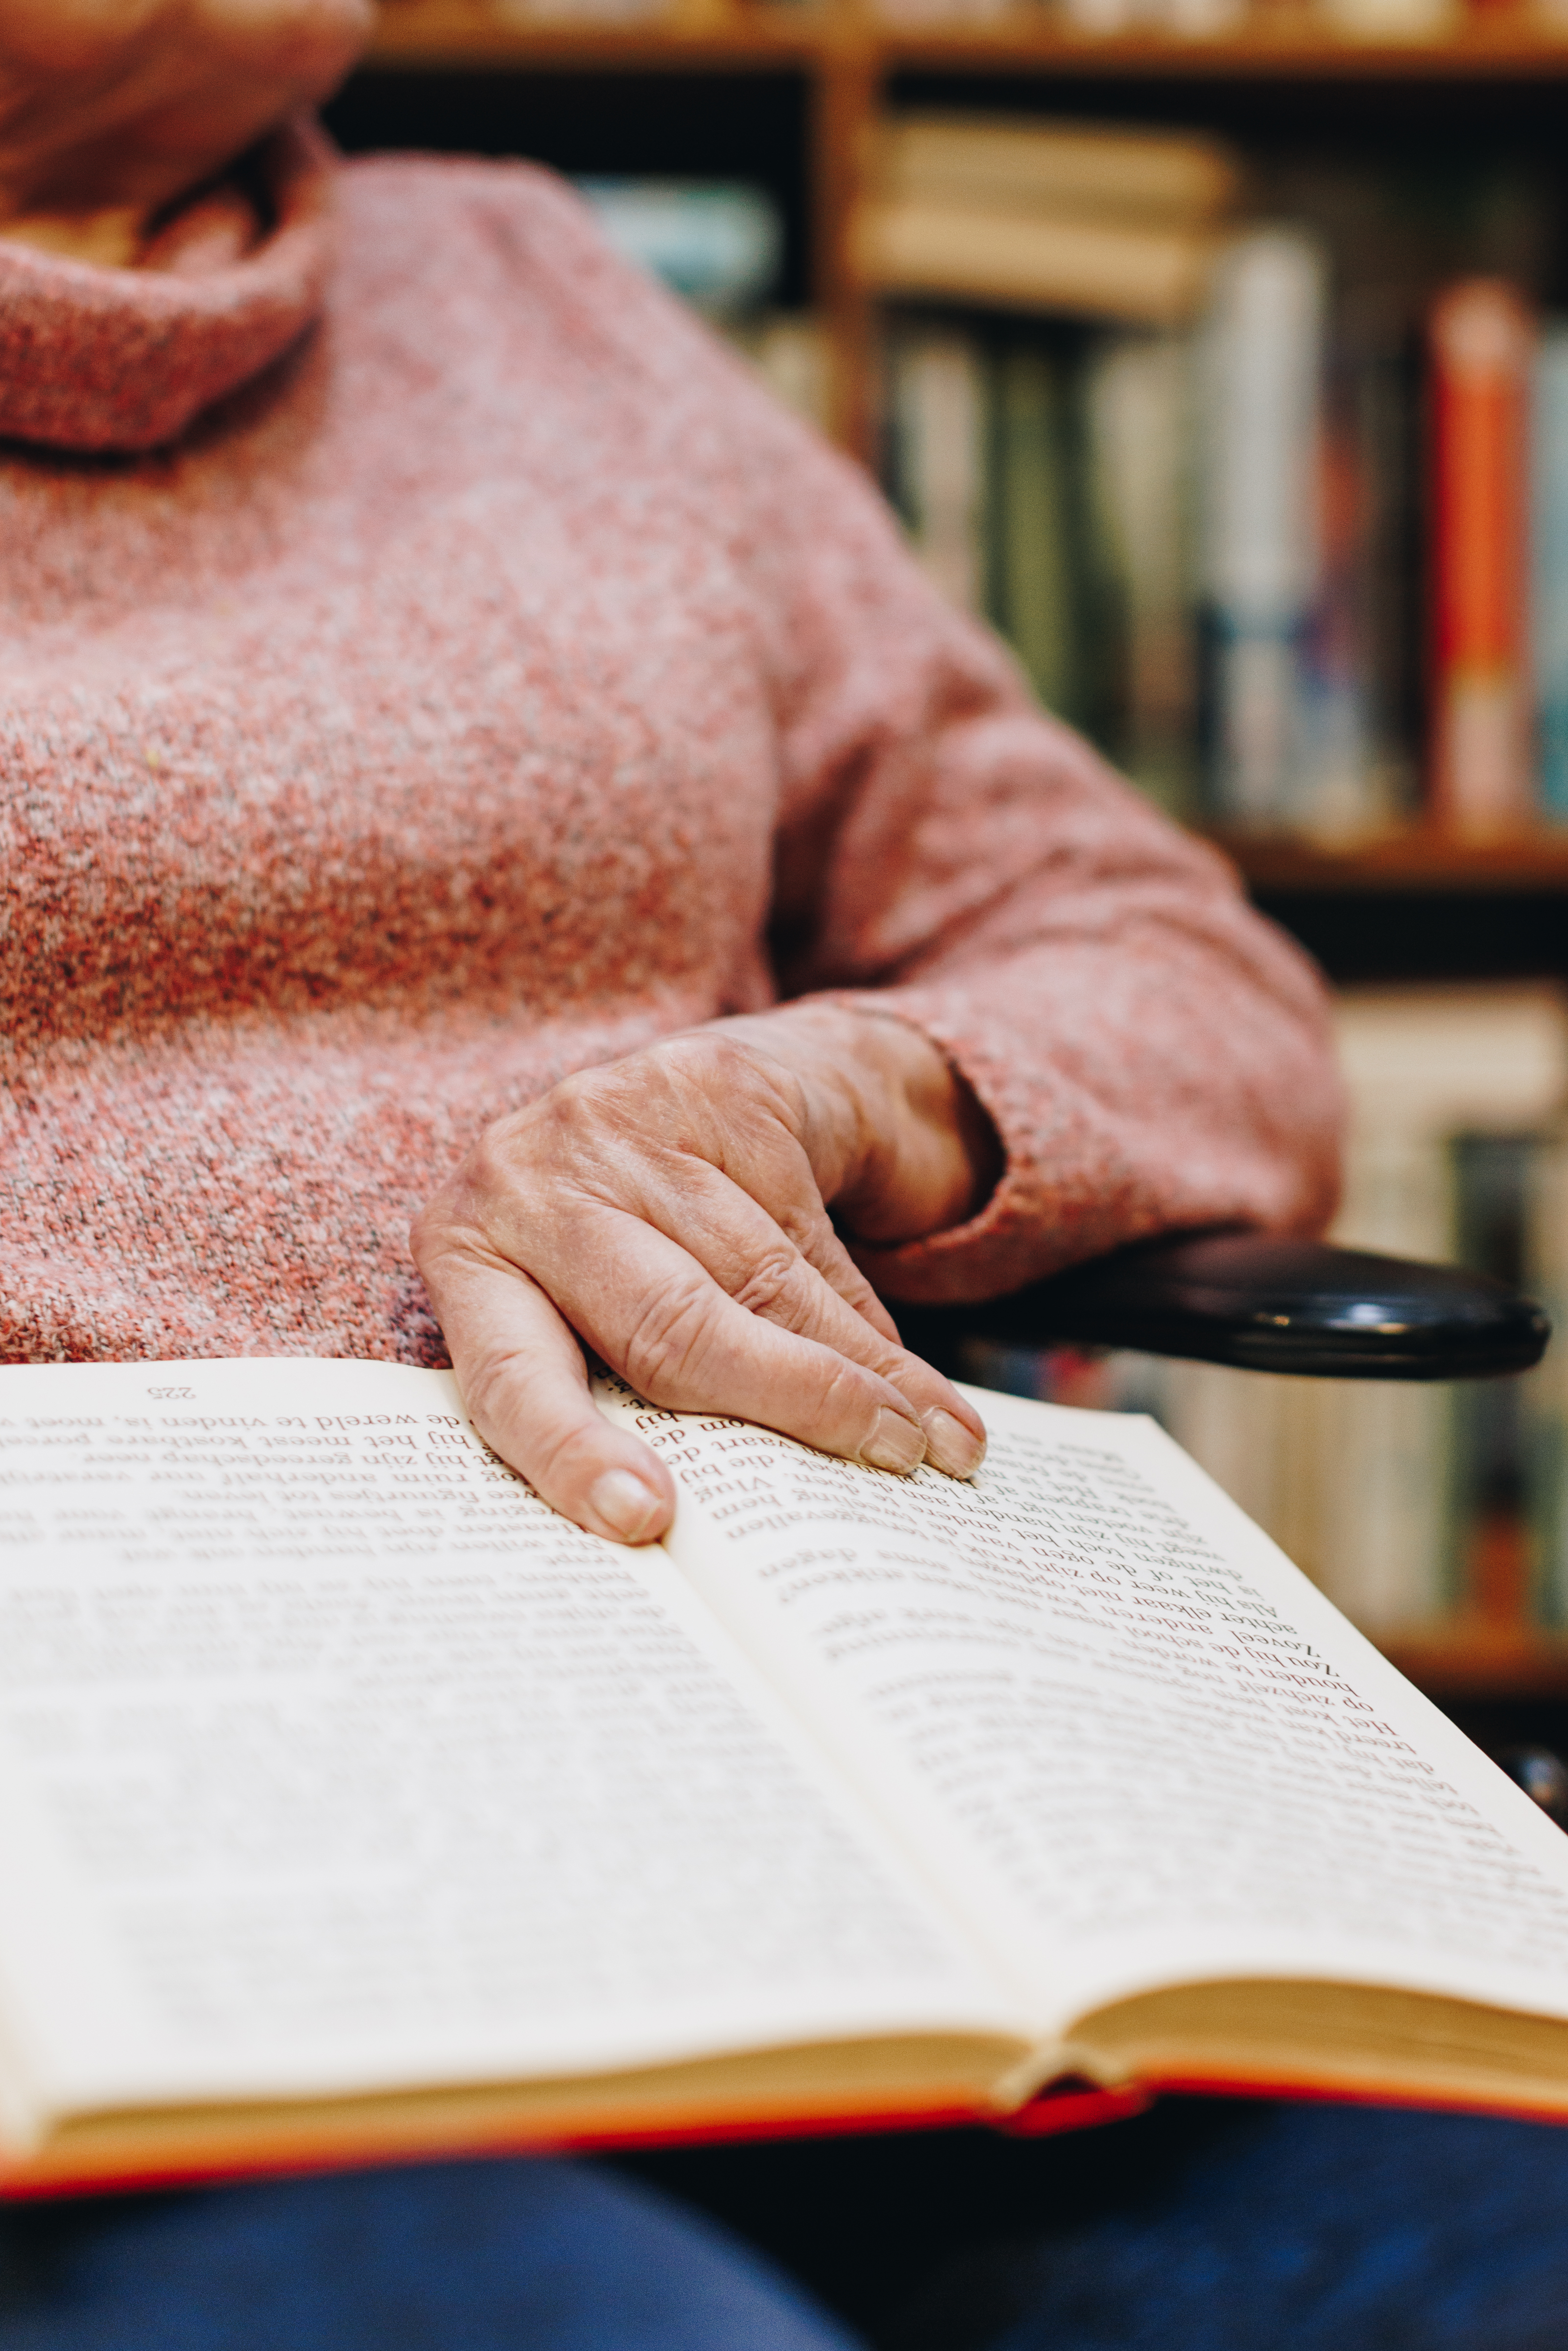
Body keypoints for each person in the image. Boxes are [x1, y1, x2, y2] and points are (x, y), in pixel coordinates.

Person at [4, 7, 1566, 2348]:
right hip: (138, 1863)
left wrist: (865, 1092)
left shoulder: (540, 297)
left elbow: (1167, 962)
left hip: (802, 1782)